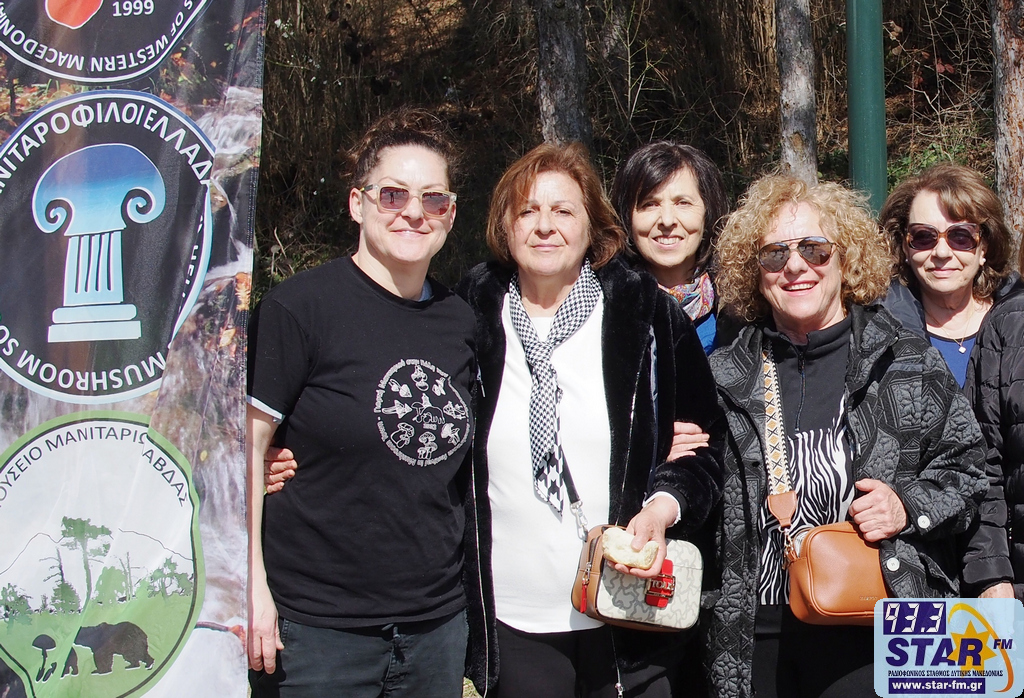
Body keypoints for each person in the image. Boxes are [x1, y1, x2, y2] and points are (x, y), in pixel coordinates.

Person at [457, 142, 726, 697]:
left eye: (563, 210)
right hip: (515, 615)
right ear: (505, 226)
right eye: (527, 210)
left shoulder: (646, 313)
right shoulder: (469, 312)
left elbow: (704, 446)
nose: (545, 226)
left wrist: (663, 504)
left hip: (629, 611)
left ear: (593, 226)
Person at [705, 173, 988, 698]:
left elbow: (970, 470)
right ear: (755, 271)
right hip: (756, 634)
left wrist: (907, 506)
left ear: (846, 258)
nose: (795, 266)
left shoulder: (903, 360)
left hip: (883, 621)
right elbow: (698, 492)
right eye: (774, 254)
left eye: (814, 249)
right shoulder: (724, 375)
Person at [246, 109, 495, 697]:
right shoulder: (299, 308)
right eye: (393, 194)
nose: (413, 211)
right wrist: (252, 589)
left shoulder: (460, 321)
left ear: (451, 214)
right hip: (316, 633)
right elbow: (245, 455)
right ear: (357, 204)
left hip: (435, 626)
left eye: (433, 198)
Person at [880, 163, 1018, 600]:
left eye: (960, 236)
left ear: (984, 245)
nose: (941, 252)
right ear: (904, 246)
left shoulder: (1017, 324)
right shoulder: (877, 335)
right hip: (918, 569)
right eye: (923, 237)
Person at [610, 141, 729, 354]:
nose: (666, 220)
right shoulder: (605, 309)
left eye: (683, 203)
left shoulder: (742, 311)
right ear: (627, 217)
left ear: (708, 212)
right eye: (650, 204)